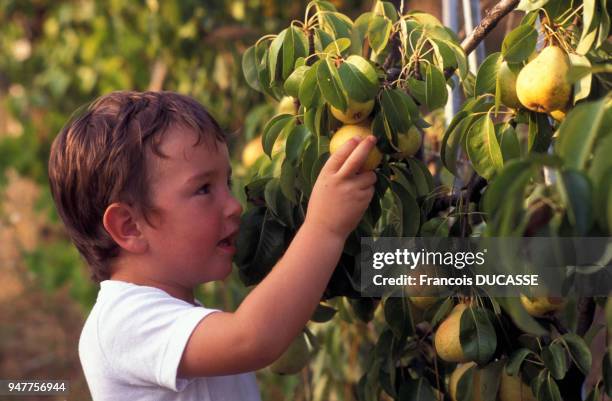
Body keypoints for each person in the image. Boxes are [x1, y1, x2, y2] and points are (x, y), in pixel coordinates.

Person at [47, 91, 377, 401]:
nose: (234, 205)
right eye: (204, 189)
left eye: (228, 183)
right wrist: (324, 227)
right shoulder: (120, 324)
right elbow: (252, 339)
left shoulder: (178, 314)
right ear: (129, 226)